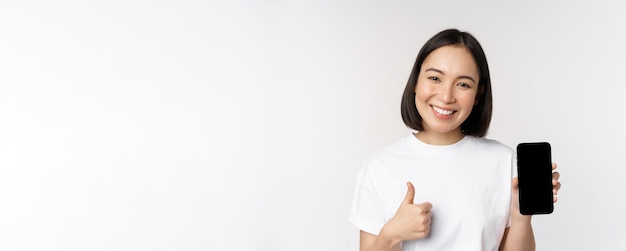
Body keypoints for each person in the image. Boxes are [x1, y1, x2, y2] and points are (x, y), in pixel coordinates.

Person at [348, 29, 562, 251]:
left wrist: (520, 214)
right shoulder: (379, 167)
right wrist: (392, 235)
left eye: (463, 84)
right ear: (415, 82)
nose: (446, 96)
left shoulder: (503, 161)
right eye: (434, 78)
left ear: (478, 95)